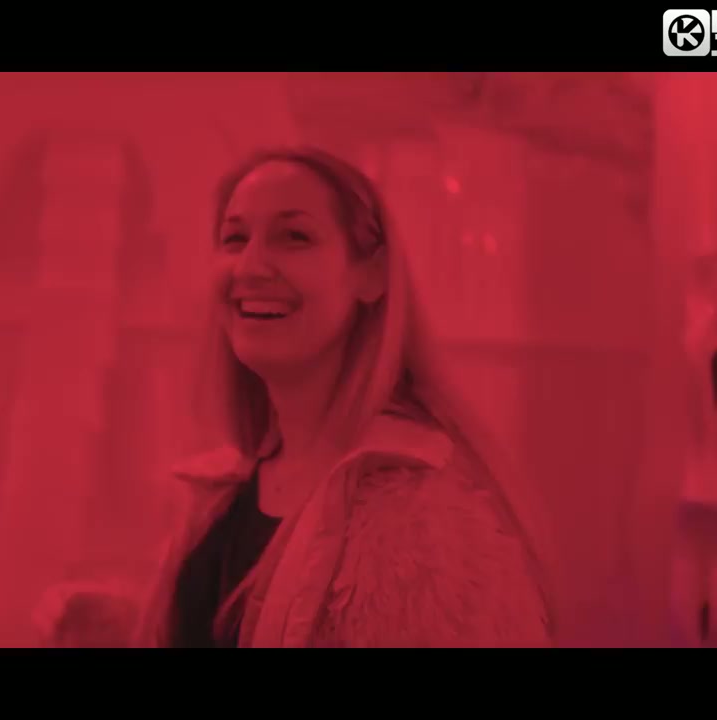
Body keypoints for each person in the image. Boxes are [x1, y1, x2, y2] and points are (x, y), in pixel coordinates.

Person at [43, 146, 556, 648]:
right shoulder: (222, 492)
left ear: (372, 274)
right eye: (234, 238)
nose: (250, 266)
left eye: (294, 237)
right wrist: (122, 625)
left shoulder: (427, 525)